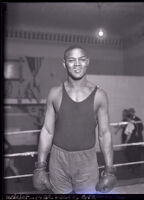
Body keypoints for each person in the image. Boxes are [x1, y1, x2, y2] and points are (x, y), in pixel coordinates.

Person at [33, 45, 116, 194]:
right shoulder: (54, 93)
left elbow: (104, 134)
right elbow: (47, 131)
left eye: (82, 59)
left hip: (87, 161)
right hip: (58, 159)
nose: (77, 64)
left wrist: (109, 170)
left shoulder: (100, 95)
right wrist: (40, 166)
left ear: (88, 62)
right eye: (71, 60)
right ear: (64, 64)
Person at [123, 108, 144, 174]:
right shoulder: (129, 121)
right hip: (133, 138)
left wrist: (138, 133)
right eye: (130, 112)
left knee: (134, 153)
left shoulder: (137, 119)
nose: (131, 113)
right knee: (132, 153)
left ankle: (134, 166)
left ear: (134, 112)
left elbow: (141, 127)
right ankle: (133, 166)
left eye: (132, 112)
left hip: (134, 139)